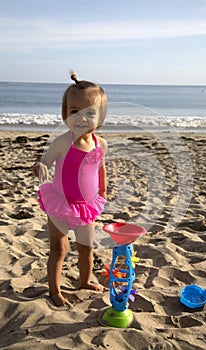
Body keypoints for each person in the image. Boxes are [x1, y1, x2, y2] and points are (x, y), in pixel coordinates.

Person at [33, 70, 108, 307]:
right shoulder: (63, 142)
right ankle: (55, 291)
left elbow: (100, 168)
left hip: (87, 206)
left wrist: (103, 192)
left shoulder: (100, 143)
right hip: (61, 205)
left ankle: (84, 280)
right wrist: (39, 166)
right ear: (66, 114)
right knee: (60, 248)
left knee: (86, 248)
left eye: (90, 113)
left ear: (100, 116)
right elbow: (44, 161)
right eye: (75, 112)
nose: (81, 118)